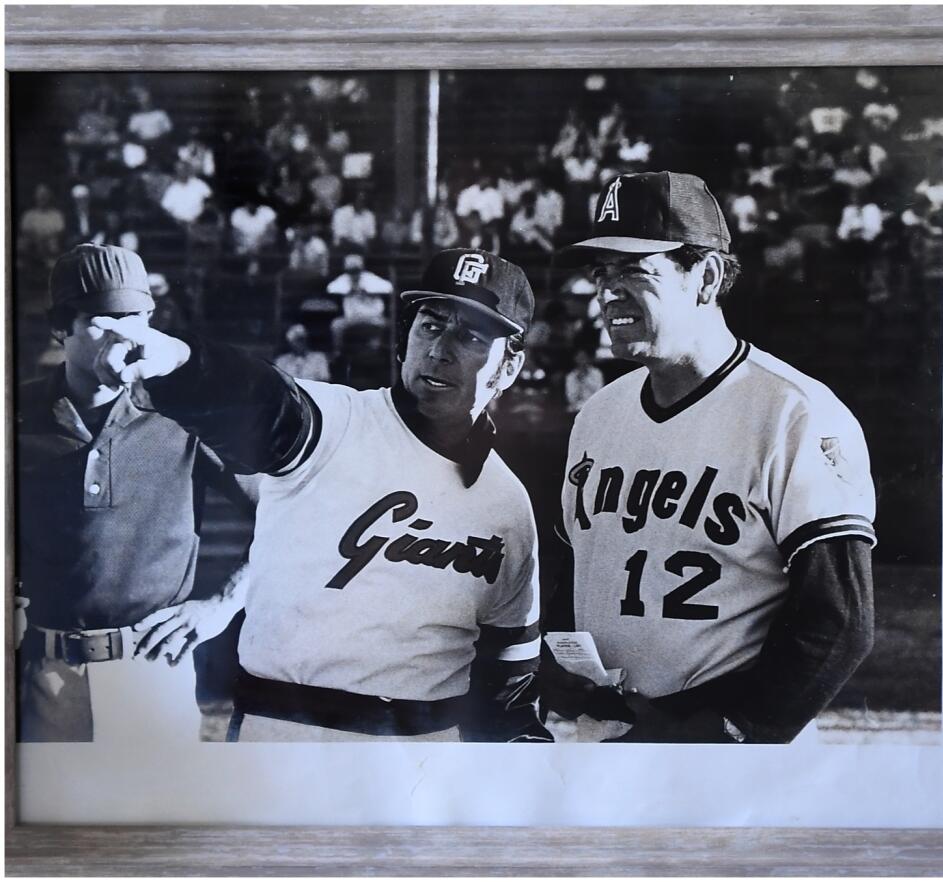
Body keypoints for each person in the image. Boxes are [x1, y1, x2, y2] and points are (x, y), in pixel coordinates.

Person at [91, 248, 552, 742]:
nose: (441, 349)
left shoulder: (506, 503)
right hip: (284, 739)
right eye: (431, 325)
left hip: (421, 760)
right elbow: (263, 400)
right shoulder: (335, 421)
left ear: (509, 367)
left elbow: (509, 679)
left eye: (473, 336)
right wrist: (178, 362)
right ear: (404, 340)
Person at [547, 170, 876, 744]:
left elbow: (840, 618)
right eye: (601, 273)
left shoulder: (794, 412)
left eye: (634, 270)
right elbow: (576, 568)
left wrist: (723, 733)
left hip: (729, 750)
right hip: (607, 730)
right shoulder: (599, 414)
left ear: (706, 276)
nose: (608, 291)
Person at [15, 244, 247, 743]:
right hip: (44, 678)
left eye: (139, 318)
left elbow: (290, 506)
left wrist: (222, 606)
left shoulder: (184, 410)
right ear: (61, 328)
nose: (128, 337)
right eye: (104, 319)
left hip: (151, 670)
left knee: (156, 821)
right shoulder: (17, 413)